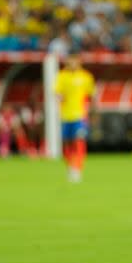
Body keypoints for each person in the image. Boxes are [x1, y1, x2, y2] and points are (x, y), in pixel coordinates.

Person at [55, 54, 95, 182]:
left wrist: (93, 114)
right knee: (67, 144)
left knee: (79, 141)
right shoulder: (62, 76)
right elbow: (57, 92)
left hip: (80, 116)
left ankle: (78, 168)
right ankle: (70, 166)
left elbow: (91, 95)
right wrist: (60, 96)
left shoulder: (86, 77)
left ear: (79, 61)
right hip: (65, 116)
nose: (72, 63)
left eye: (74, 60)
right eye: (70, 60)